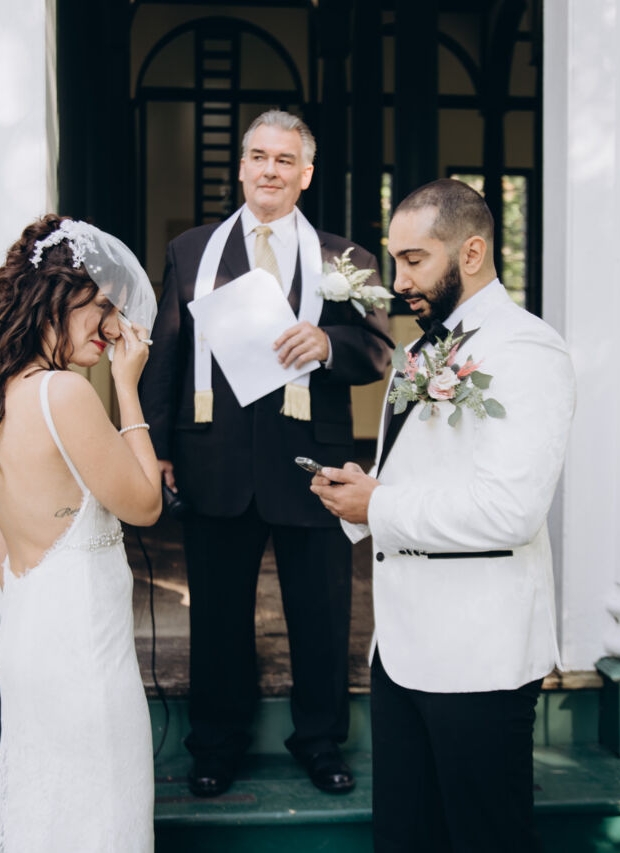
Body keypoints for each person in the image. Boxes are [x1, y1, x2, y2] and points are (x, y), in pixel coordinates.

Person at [310, 179, 576, 851]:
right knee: (406, 836)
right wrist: (365, 493)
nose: (399, 280)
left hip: (478, 652)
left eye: (415, 260)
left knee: (485, 838)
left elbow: (511, 510)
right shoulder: (427, 348)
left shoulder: (526, 349)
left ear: (473, 252)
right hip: (403, 647)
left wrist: (380, 504)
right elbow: (428, 472)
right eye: (395, 260)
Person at [140, 110, 392, 797]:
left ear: (305, 174)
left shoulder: (346, 259)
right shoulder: (193, 250)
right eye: (258, 156)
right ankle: (216, 744)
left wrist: (330, 344)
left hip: (313, 463)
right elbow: (167, 354)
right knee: (217, 615)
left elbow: (378, 351)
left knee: (322, 612)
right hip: (213, 460)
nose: (269, 170)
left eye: (284, 160)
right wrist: (158, 447)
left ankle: (320, 740)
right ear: (242, 166)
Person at [0, 215, 161, 852]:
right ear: (55, 299)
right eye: (103, 307)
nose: (115, 328)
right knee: (103, 819)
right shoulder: (64, 393)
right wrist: (127, 388)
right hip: (84, 656)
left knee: (45, 814)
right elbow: (145, 505)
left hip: (29, 641)